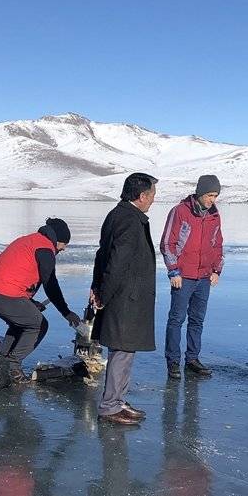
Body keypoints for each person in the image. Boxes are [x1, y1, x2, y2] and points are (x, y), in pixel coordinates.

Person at [91, 172, 158, 425]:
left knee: (125, 349)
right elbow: (116, 261)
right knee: (122, 349)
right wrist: (104, 294)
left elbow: (102, 254)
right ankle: (110, 406)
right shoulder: (129, 220)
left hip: (123, 294)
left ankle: (117, 399)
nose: (152, 200)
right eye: (151, 196)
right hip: (126, 297)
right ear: (141, 196)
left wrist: (97, 286)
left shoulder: (117, 215)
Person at [0, 218, 81, 381]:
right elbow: (51, 284)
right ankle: (13, 366)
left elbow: (17, 273)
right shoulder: (45, 247)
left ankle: (1, 362)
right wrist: (66, 312)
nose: (63, 250)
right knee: (38, 324)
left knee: (21, 323)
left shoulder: (30, 240)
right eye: (63, 246)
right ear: (58, 240)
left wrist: (29, 303)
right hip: (2, 293)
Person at [159, 175, 224, 379]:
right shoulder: (180, 212)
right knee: (177, 319)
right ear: (200, 193)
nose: (212, 199)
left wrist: (216, 270)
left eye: (215, 195)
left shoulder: (214, 215)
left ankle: (192, 359)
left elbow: (218, 244)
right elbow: (167, 243)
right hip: (183, 276)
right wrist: (173, 271)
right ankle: (173, 361)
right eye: (209, 195)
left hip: (204, 277)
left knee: (197, 320)